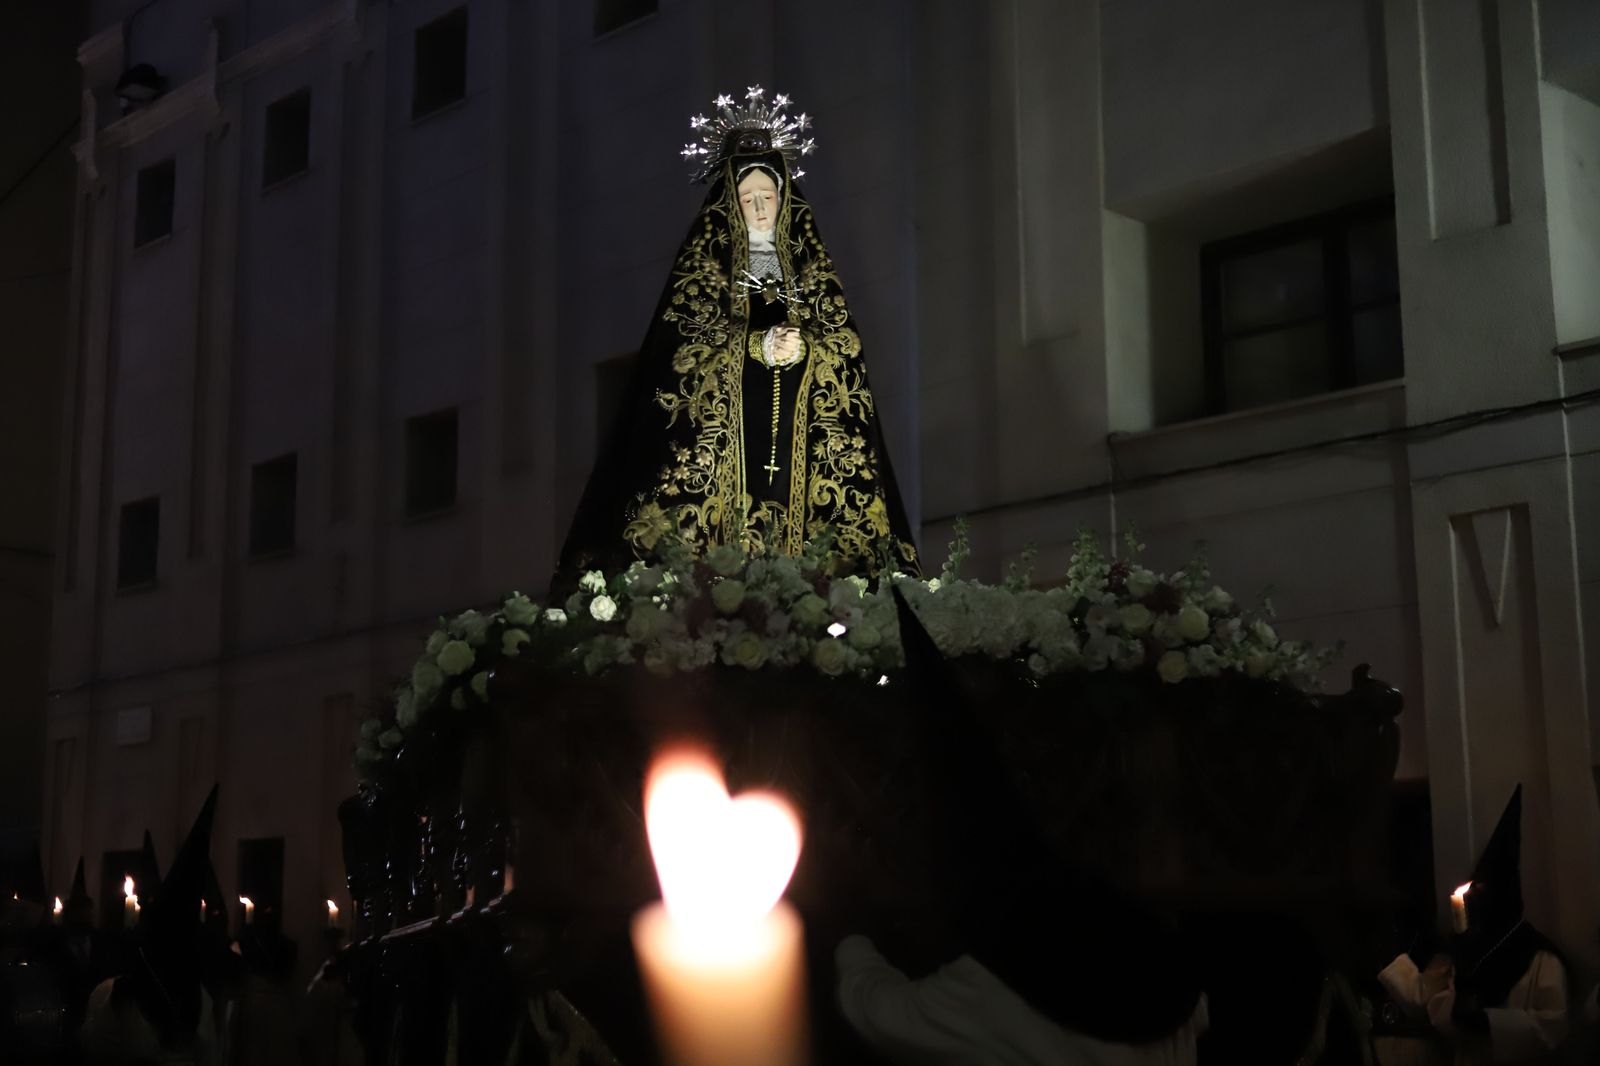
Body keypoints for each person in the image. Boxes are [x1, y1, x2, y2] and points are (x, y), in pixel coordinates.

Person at [558, 88, 918, 578]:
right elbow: (680, 350)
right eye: (747, 198)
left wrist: (807, 349)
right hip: (728, 447)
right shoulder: (706, 267)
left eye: (767, 196)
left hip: (800, 445)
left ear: (783, 196)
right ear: (732, 203)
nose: (759, 207)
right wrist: (756, 346)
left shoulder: (811, 268)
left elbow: (844, 345)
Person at [1375, 786, 1569, 1064]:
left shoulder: (1540, 959)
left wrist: (1489, 1022)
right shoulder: (1461, 953)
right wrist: (1453, 1013)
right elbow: (1423, 998)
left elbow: (1554, 1024)